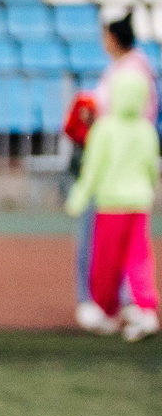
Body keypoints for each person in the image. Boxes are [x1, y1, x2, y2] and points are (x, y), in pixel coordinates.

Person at [67, 59, 160, 340]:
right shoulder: (146, 130)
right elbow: (149, 167)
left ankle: (106, 309)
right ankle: (145, 309)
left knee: (106, 260)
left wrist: (80, 195)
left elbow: (93, 167)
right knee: (139, 258)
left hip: (111, 205)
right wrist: (150, 191)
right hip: (139, 204)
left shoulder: (105, 129)